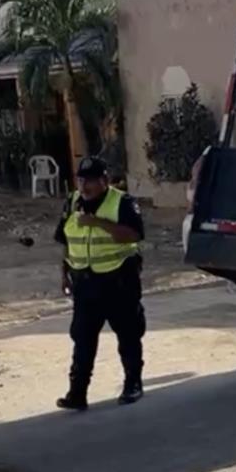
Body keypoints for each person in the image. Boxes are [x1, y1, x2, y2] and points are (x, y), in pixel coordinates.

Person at [54, 156, 145, 410]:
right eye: (81, 180)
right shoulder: (72, 202)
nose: (84, 187)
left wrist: (97, 223)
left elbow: (134, 234)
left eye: (91, 181)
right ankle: (77, 393)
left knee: (128, 334)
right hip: (85, 282)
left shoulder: (122, 202)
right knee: (82, 338)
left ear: (104, 181)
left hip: (119, 281)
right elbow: (66, 240)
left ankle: (133, 385)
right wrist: (64, 272)